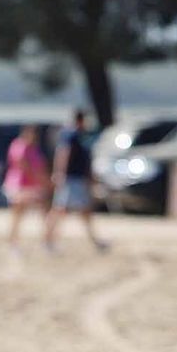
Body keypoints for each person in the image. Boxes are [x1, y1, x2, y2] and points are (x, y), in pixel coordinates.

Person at [44, 108, 107, 252]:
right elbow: (63, 154)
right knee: (60, 210)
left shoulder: (79, 135)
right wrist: (59, 173)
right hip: (70, 179)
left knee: (82, 211)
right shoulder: (70, 135)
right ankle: (48, 240)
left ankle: (95, 241)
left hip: (77, 179)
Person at [2, 124, 49, 250]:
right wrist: (40, 180)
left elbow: (40, 167)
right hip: (20, 185)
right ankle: (13, 242)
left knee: (42, 212)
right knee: (18, 214)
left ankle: (45, 240)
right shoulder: (20, 146)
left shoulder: (33, 148)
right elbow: (23, 165)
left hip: (32, 185)